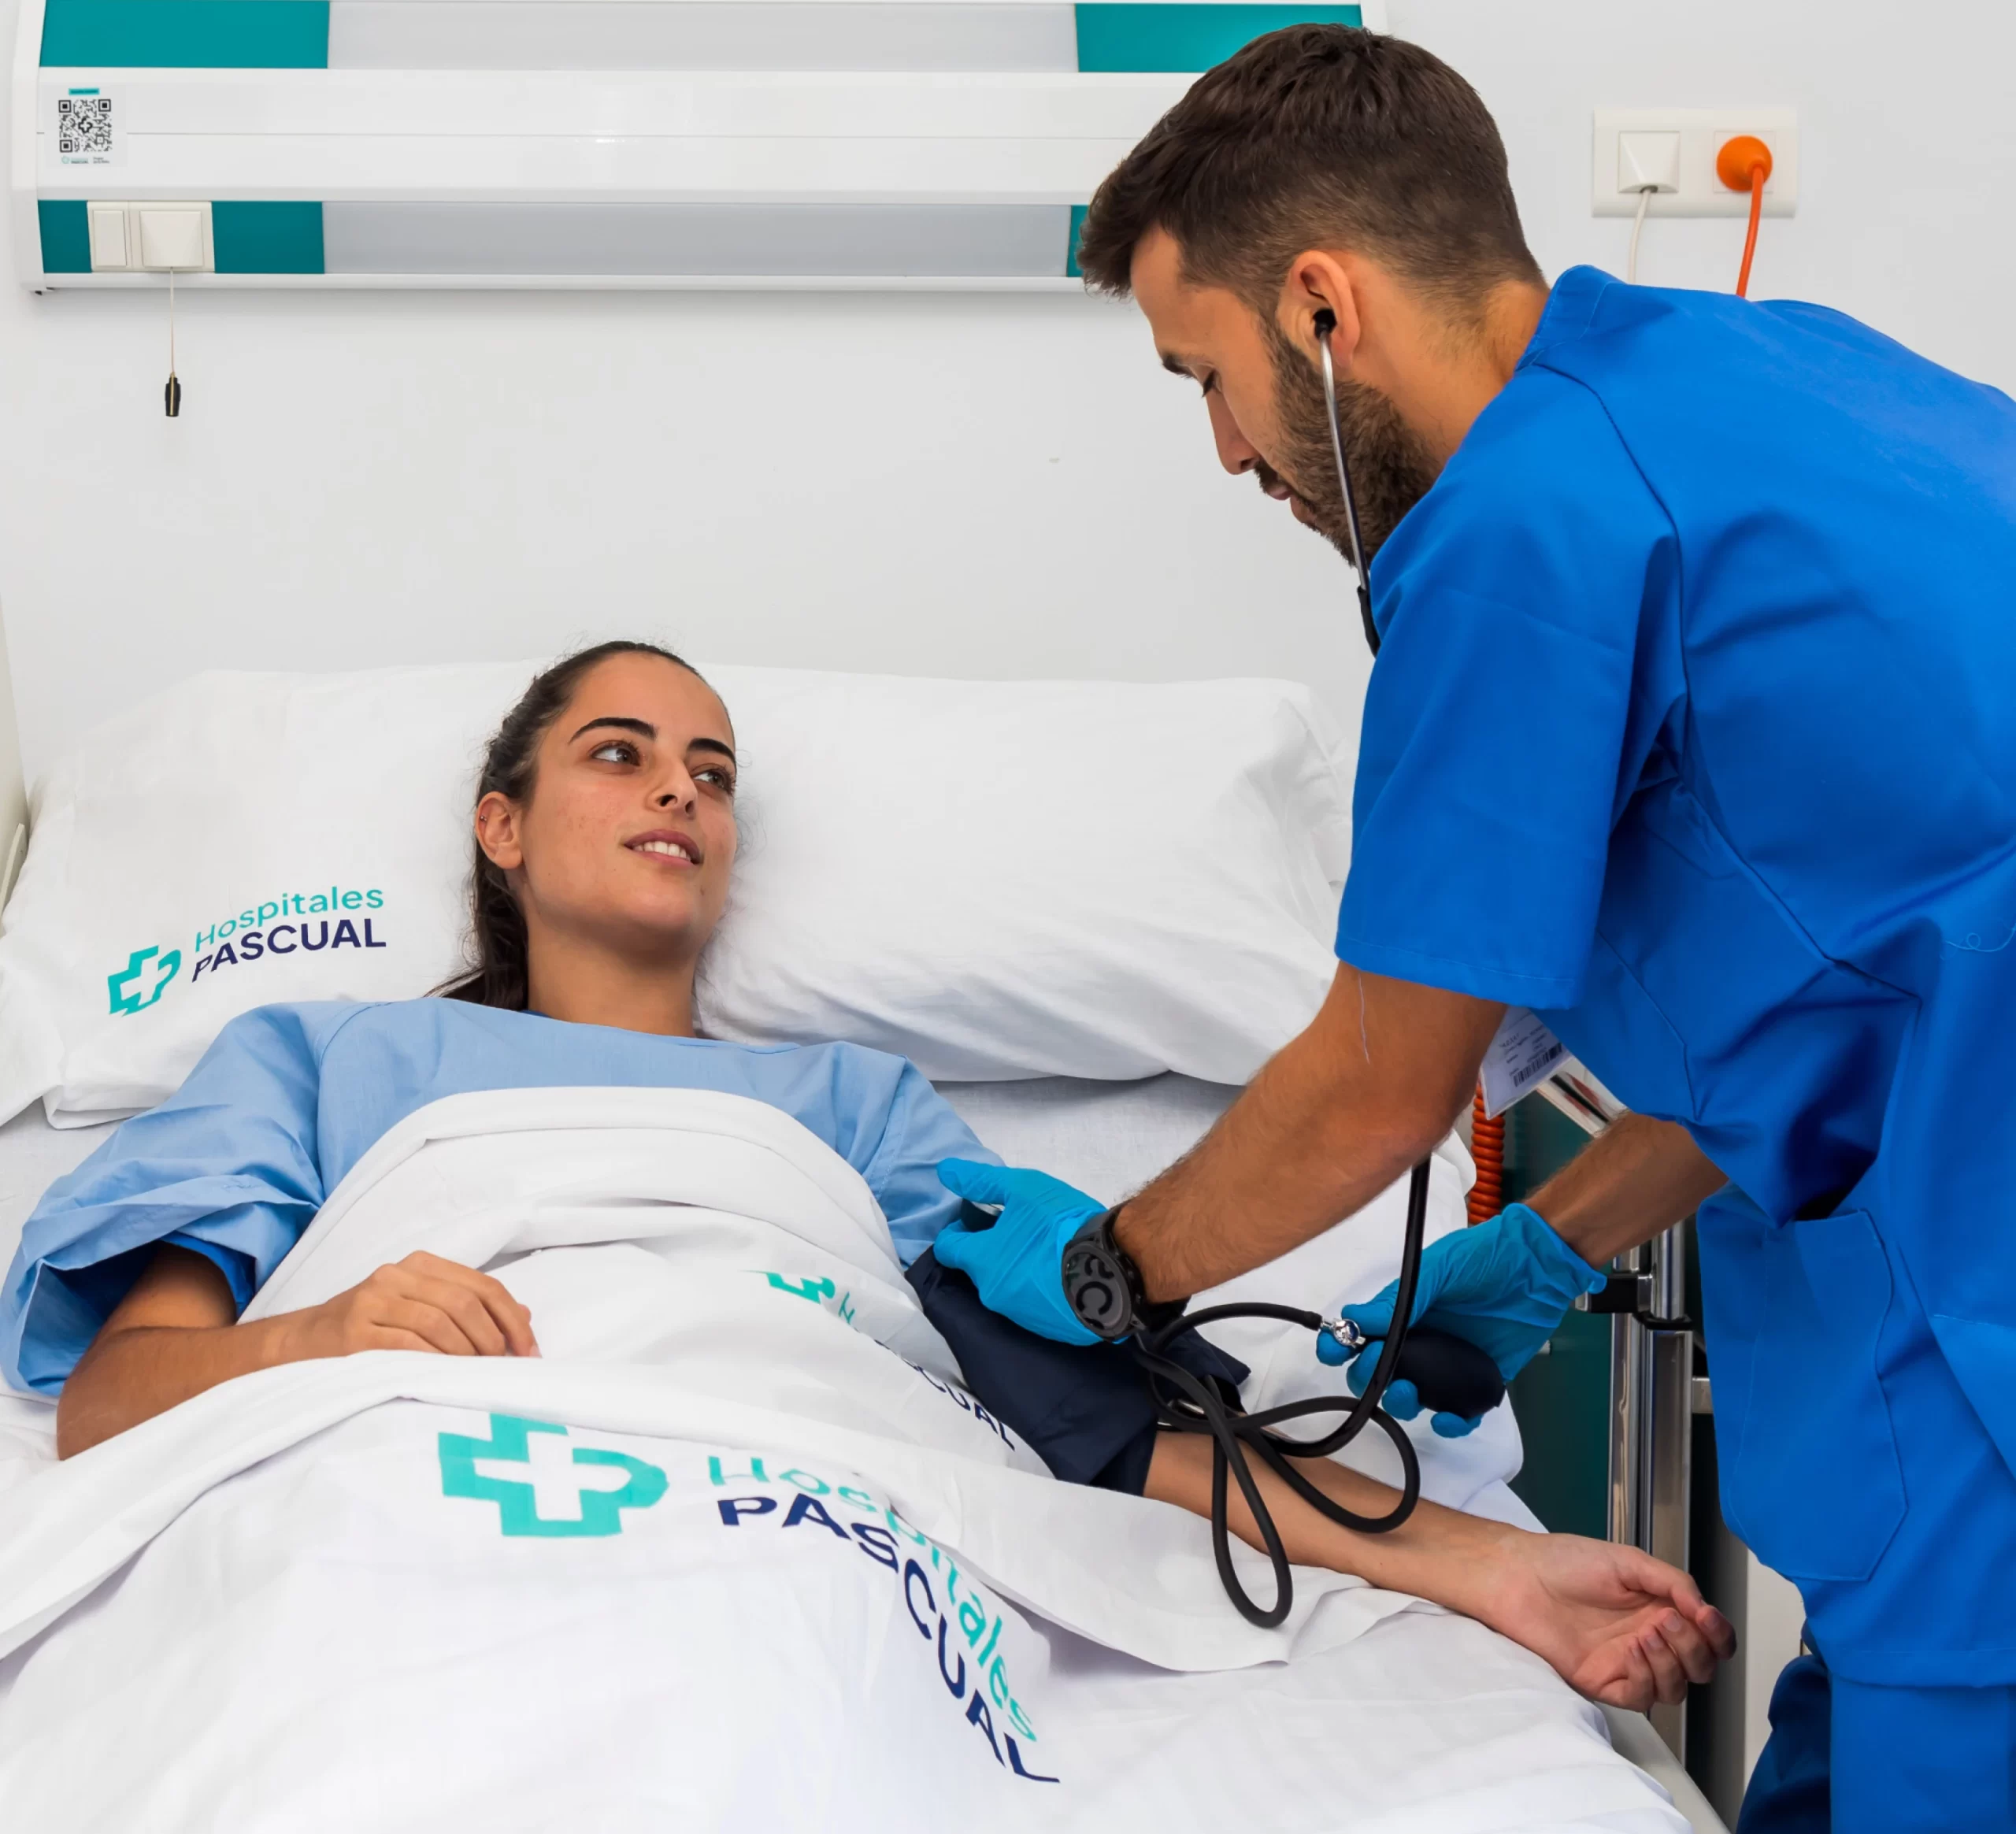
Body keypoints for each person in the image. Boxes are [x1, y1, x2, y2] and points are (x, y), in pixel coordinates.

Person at [927, 24, 2016, 1832]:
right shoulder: (1778, 378)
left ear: (1319, 305)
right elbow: (1842, 988)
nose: (1224, 450)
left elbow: (1380, 1083)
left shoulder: (1519, 533)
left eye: (1206, 376)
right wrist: (1548, 1247)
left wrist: (1112, 1271)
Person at [0, 639, 1728, 1713]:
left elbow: (1077, 1416)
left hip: (786, 1494)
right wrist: (328, 1339)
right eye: (619, 753)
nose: (680, 792)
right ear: (501, 827)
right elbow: (118, 1402)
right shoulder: (324, 1060)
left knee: (788, 1671)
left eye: (713, 774)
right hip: (407, 1469)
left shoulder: (848, 1104)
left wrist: (1487, 1566)